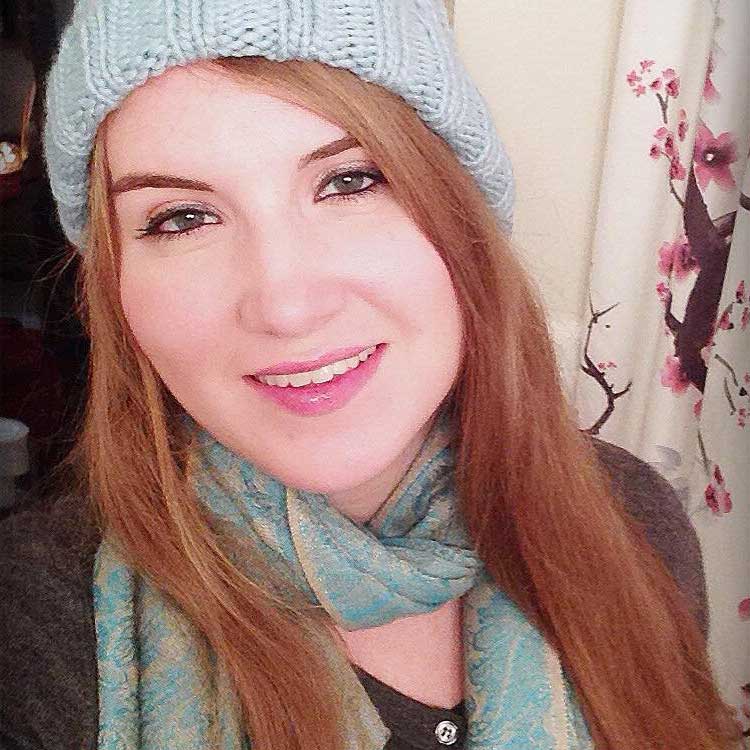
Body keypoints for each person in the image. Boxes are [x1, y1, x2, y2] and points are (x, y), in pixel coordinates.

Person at [0, 1, 744, 749]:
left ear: (463, 216)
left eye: (351, 181)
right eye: (183, 218)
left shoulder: (633, 521)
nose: (287, 305)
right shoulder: (36, 625)